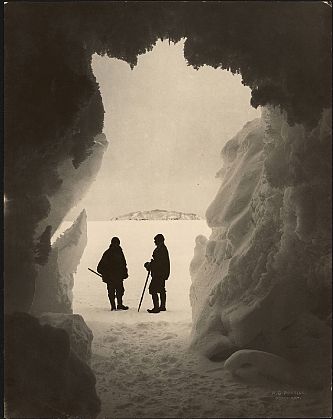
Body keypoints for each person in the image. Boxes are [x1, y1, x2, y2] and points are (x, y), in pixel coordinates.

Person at [97, 237, 129, 311]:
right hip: (111, 277)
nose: (116, 245)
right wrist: (105, 274)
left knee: (120, 291)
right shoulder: (108, 253)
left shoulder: (120, 252)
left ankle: (119, 305)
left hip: (118, 277)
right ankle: (113, 306)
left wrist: (125, 273)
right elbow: (100, 267)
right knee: (112, 292)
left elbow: (123, 264)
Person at [144, 234, 170, 313]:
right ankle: (162, 306)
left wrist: (150, 265)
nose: (154, 242)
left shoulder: (160, 250)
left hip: (158, 274)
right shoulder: (162, 249)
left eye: (155, 240)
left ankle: (156, 308)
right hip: (162, 273)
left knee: (153, 289)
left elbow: (158, 263)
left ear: (159, 241)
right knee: (161, 289)